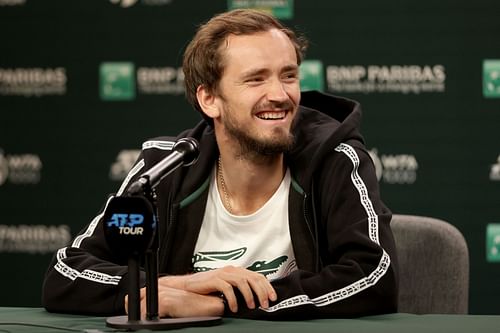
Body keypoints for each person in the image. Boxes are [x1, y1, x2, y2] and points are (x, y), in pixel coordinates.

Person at [42, 9, 398, 319]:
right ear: (209, 98)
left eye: (288, 75)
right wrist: (169, 289)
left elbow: (373, 278)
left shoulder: (336, 158)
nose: (280, 94)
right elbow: (66, 273)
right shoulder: (164, 169)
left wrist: (222, 304)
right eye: (256, 79)